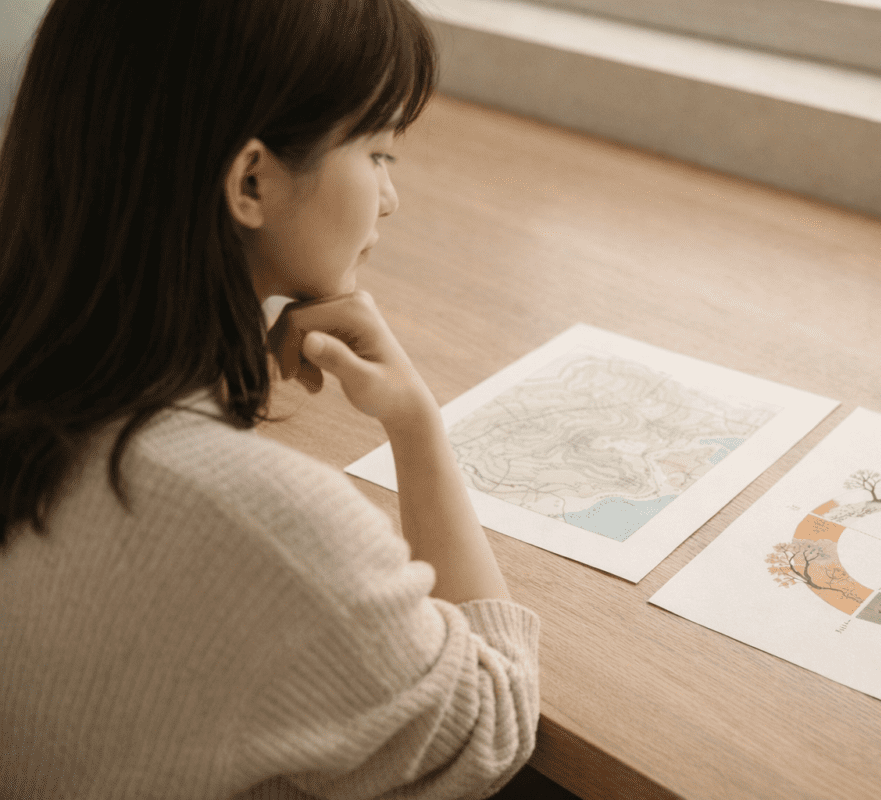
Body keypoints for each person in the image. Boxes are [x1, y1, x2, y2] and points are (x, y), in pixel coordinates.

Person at [0, 1, 540, 798]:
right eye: (378, 152)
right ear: (251, 180)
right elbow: (489, 728)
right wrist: (416, 426)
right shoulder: (270, 529)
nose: (389, 197)